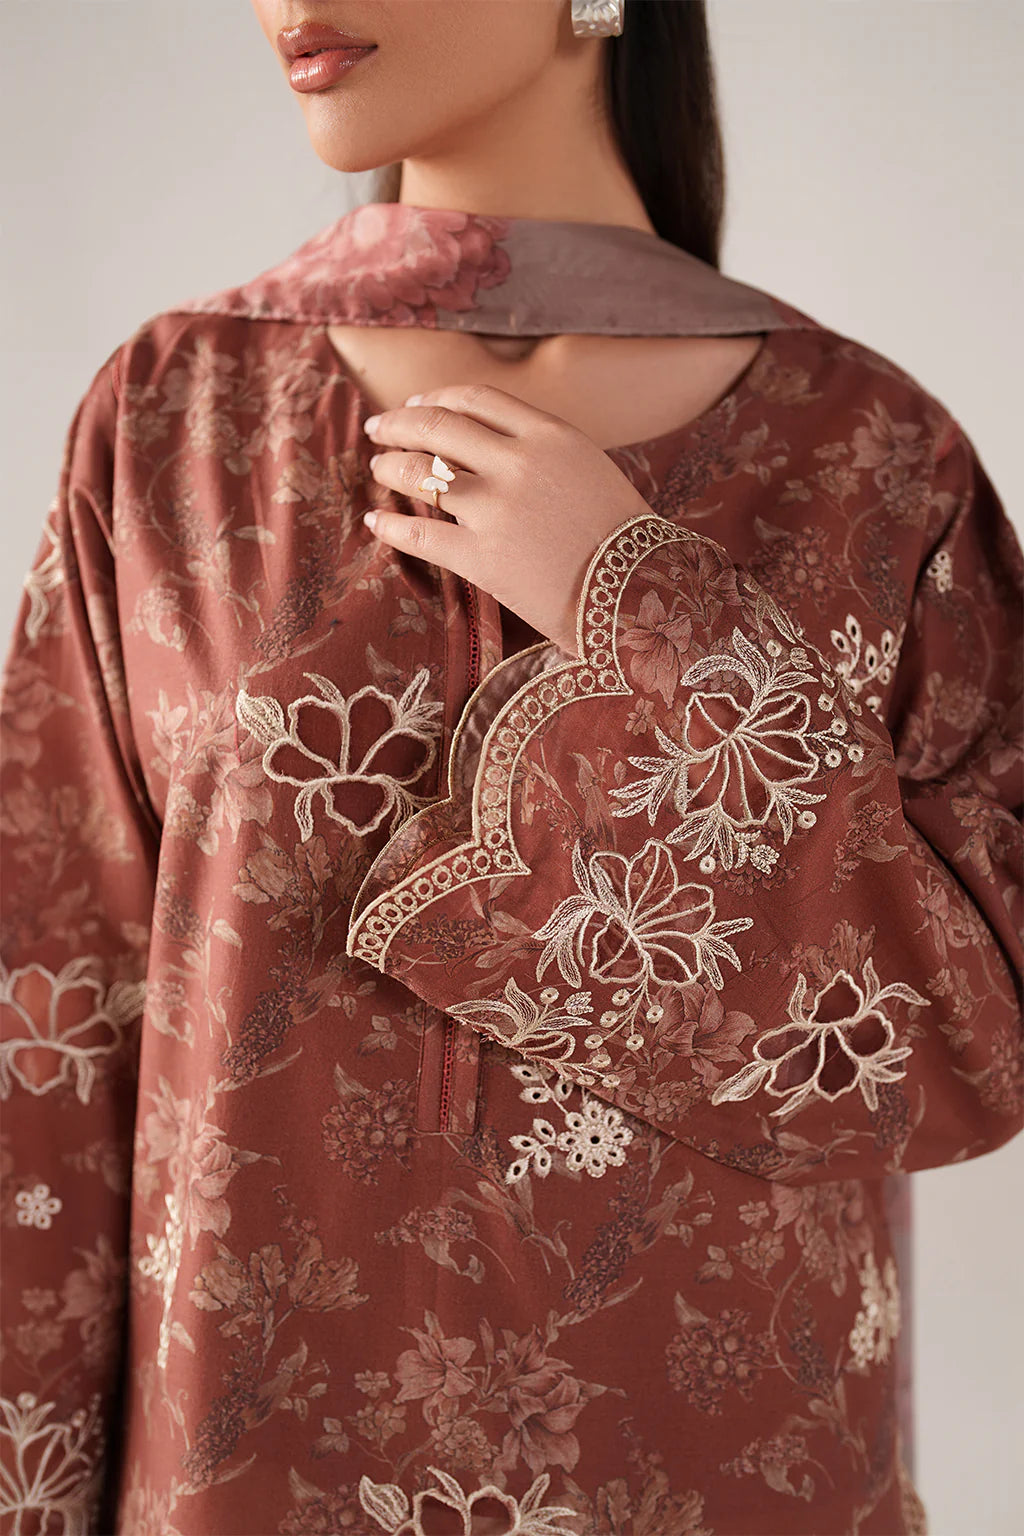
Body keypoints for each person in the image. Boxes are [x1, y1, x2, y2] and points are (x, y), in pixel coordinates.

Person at [1, 2, 1020, 1532]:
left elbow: (973, 1035)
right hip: (251, 1476)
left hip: (736, 1470)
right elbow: (43, 1025)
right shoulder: (174, 413)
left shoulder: (871, 454)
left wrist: (646, 608)